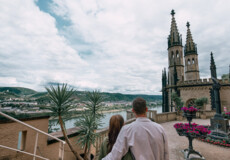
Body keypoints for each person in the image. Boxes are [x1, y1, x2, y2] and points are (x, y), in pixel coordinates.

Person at [102, 97, 169, 160]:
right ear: (146, 109)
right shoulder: (160, 129)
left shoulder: (127, 130)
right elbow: (166, 153)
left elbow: (115, 156)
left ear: (133, 110)